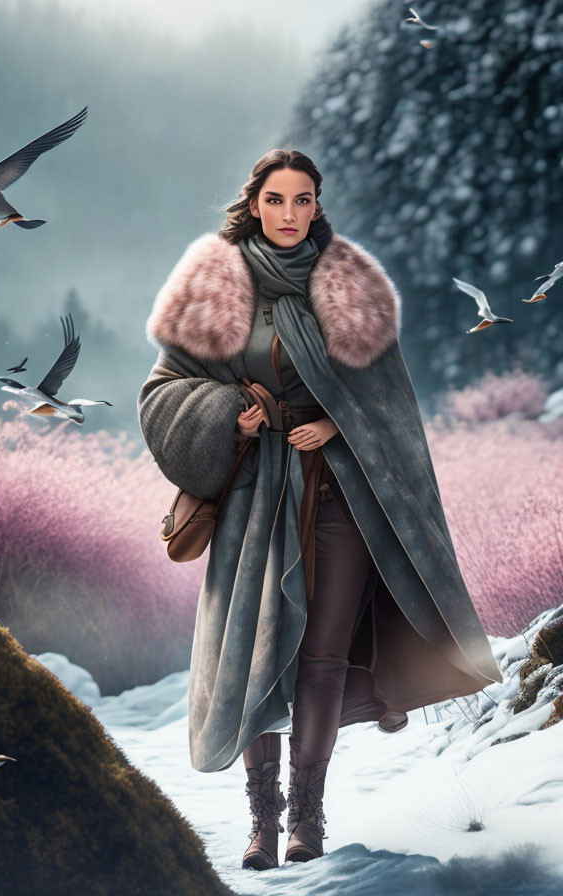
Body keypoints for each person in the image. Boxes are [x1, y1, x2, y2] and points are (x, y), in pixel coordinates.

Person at [137, 149, 503, 871]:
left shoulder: (349, 287)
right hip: (253, 501)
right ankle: (261, 829)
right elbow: (163, 391)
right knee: (258, 655)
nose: (290, 214)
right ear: (255, 203)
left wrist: (338, 422)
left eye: (303, 200)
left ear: (317, 205)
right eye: (276, 200)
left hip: (339, 495)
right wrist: (228, 415)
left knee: (323, 659)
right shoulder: (214, 284)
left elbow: (391, 407)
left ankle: (306, 819)